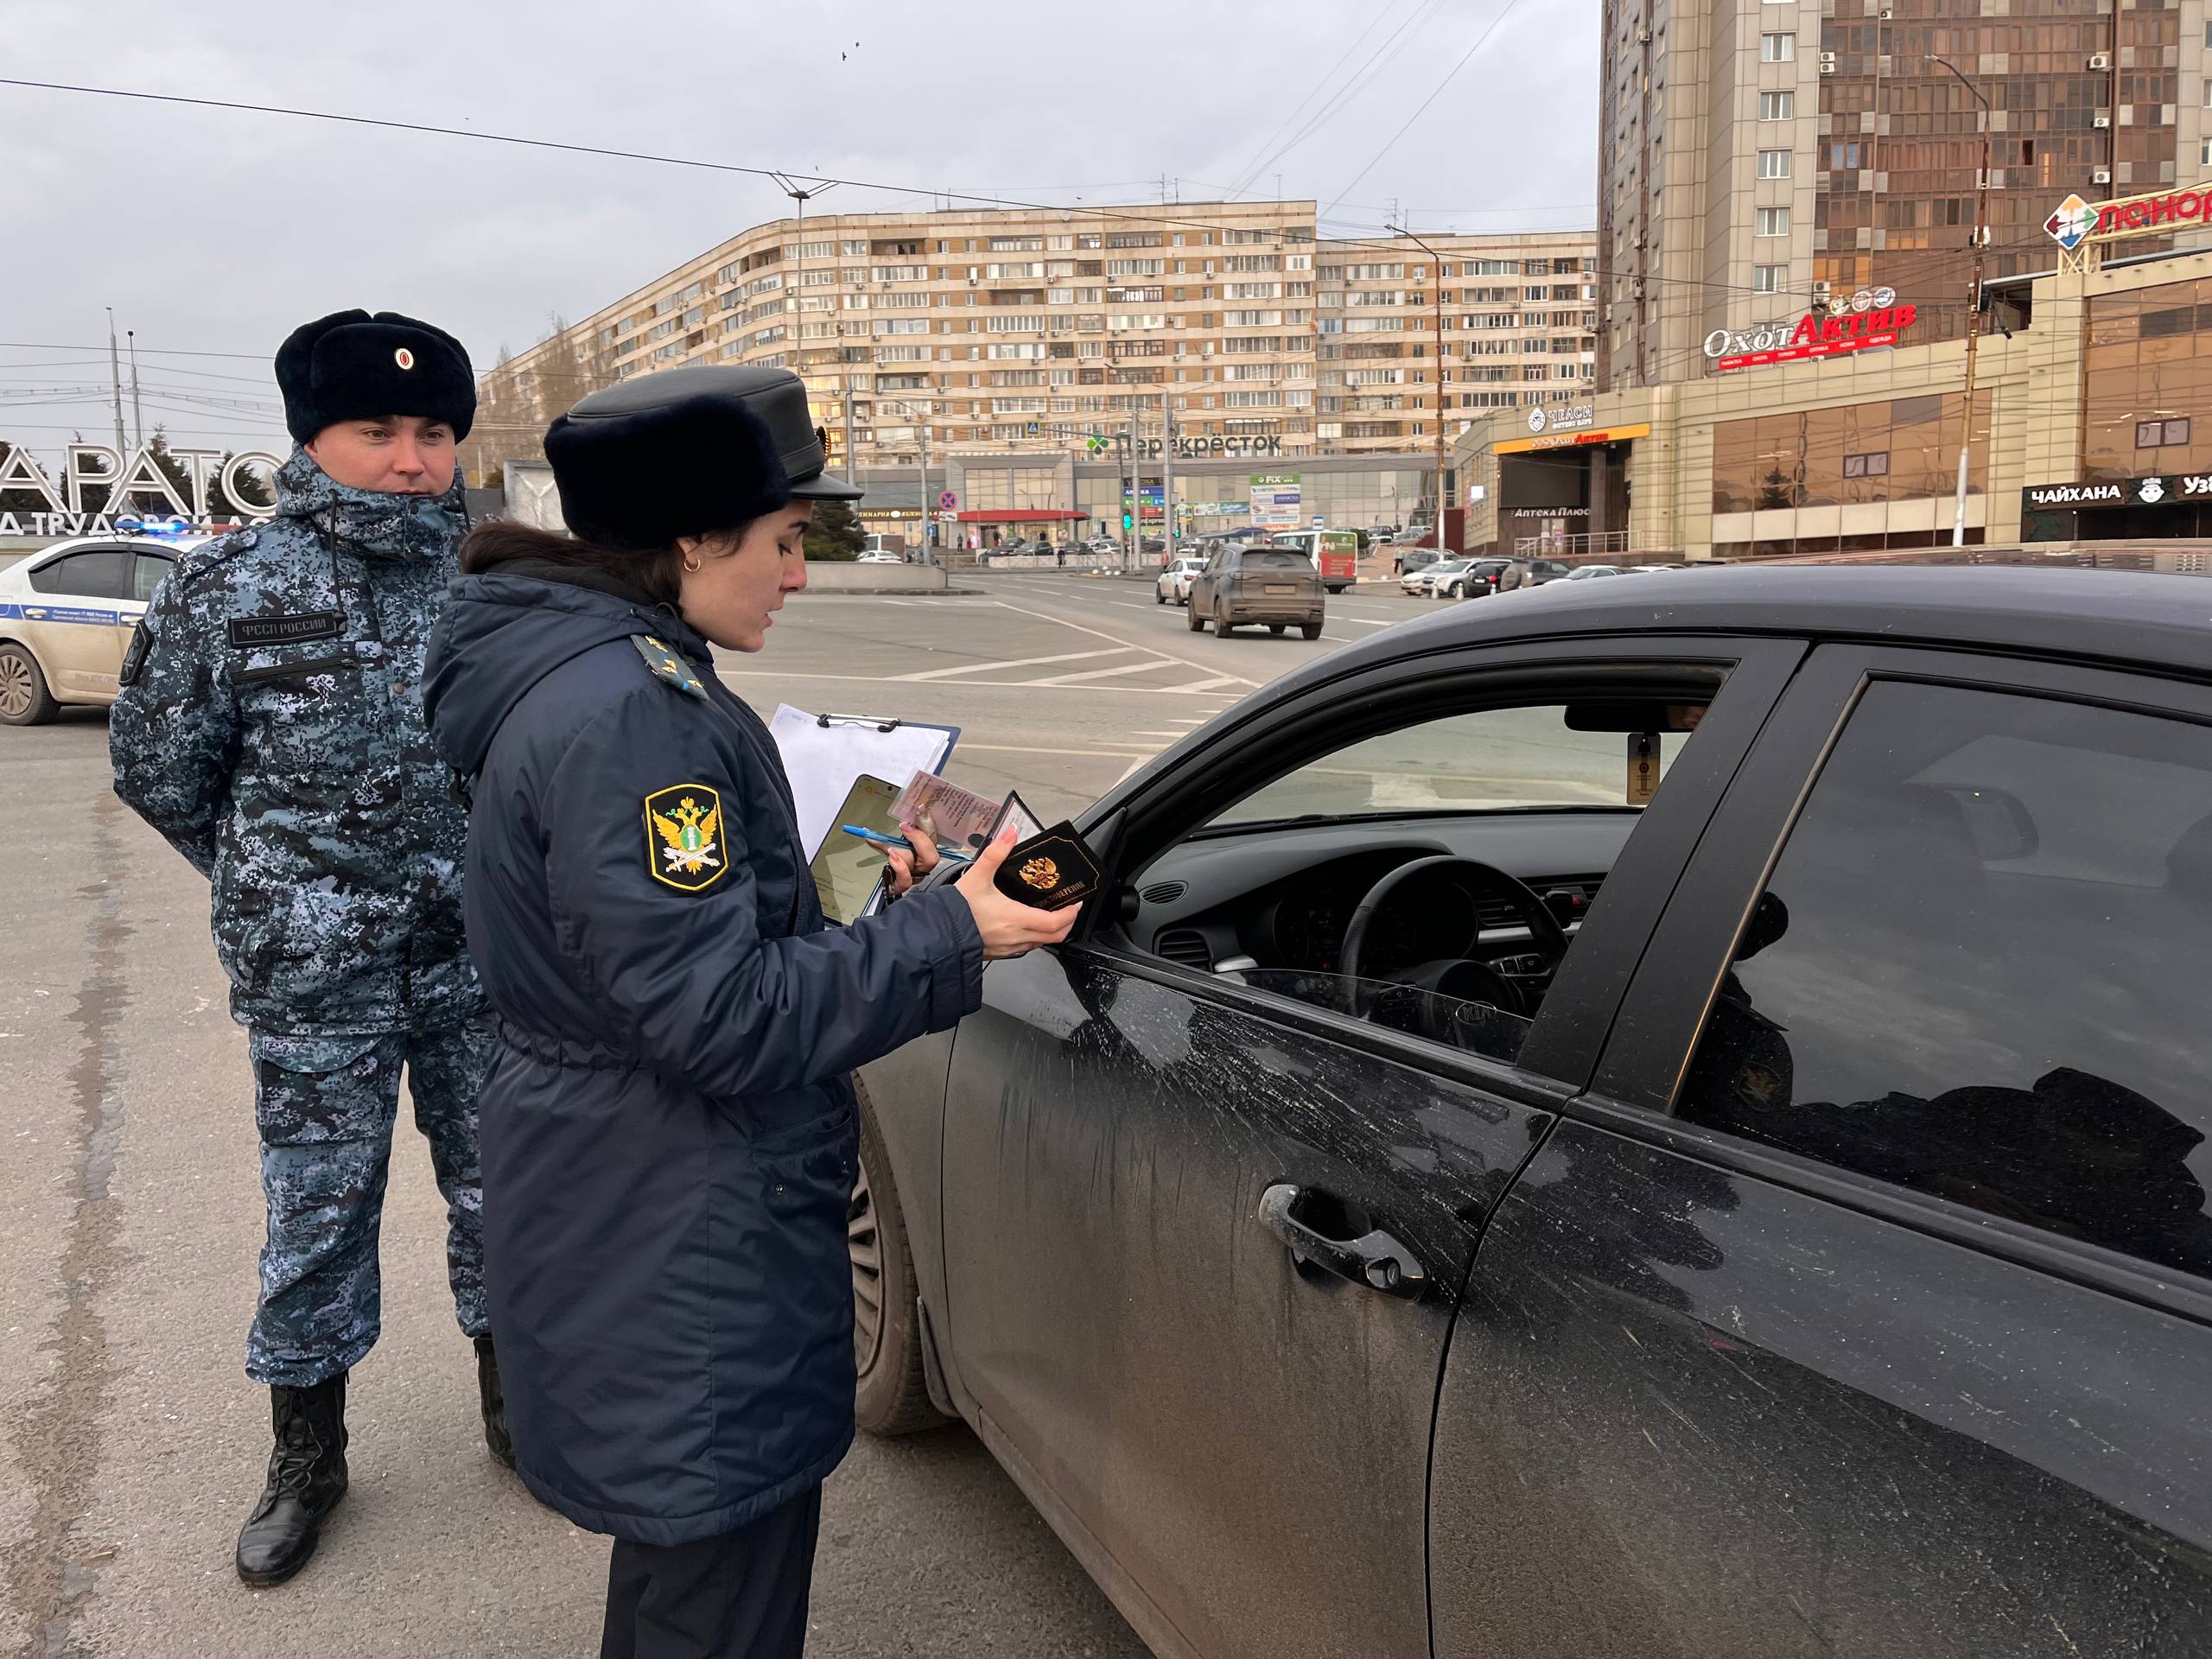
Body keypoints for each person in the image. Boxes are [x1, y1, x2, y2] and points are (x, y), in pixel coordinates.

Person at [421, 364, 1077, 1658]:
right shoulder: (633, 717)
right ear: (690, 539)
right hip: (682, 1229)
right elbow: (717, 1017)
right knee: (715, 1597)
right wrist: (958, 930)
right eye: (784, 541)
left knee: (692, 1580)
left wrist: (861, 914)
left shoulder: (596, 675)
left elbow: (657, 958)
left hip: (637, 1198)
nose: (800, 573)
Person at [110, 308, 505, 1586]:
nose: (410, 459)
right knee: (318, 1213)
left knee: (512, 1190)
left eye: (436, 431)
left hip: (481, 961)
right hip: (316, 977)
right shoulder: (229, 587)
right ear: (311, 438)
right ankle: (306, 1457)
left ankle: (526, 1406)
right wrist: (275, 891)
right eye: (377, 431)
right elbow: (162, 772)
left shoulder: (499, 590)